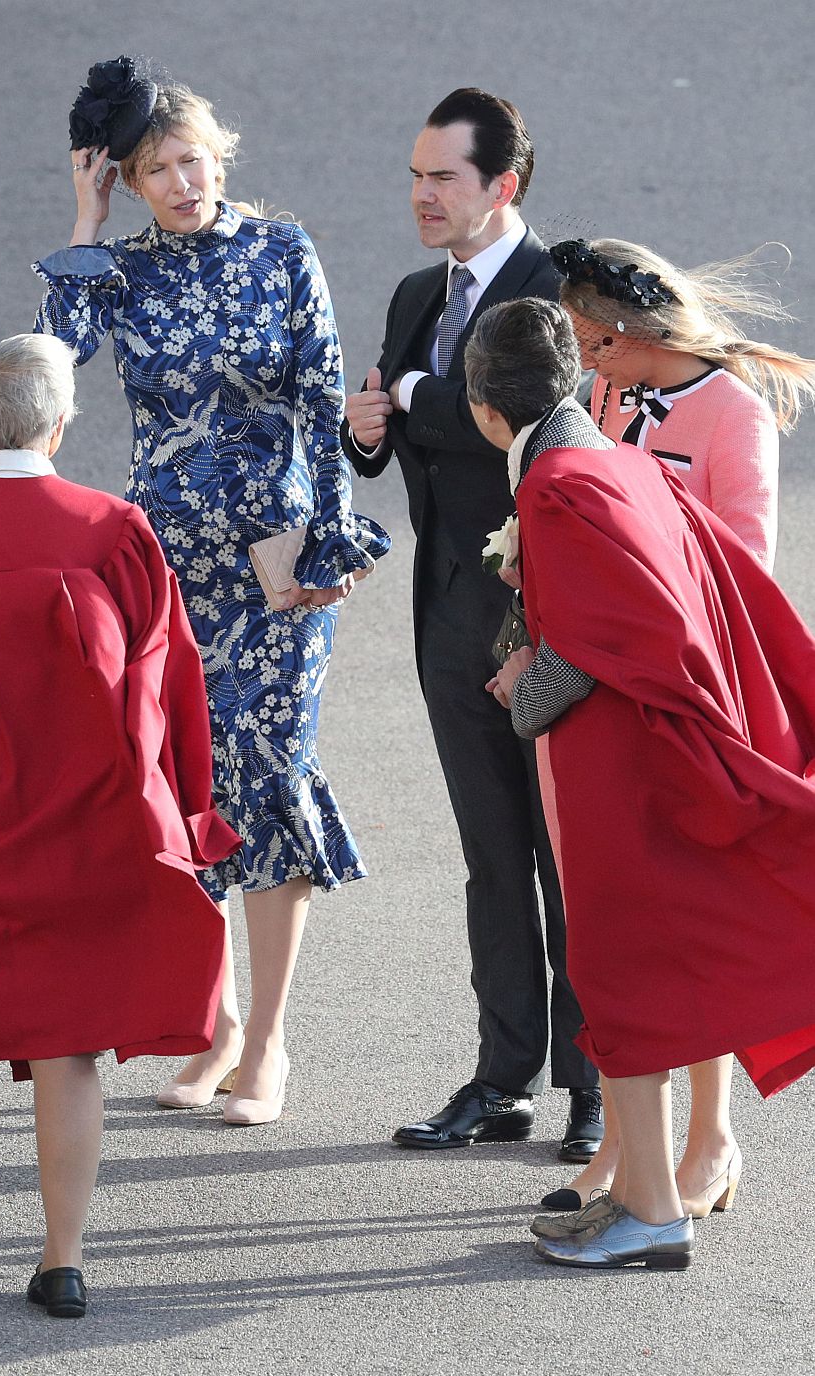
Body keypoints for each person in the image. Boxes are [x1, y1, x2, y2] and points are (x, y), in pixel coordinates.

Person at [35, 58, 389, 1125]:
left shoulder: (283, 250)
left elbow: (324, 391)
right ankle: (215, 1023)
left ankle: (270, 1043)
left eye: (192, 160)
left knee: (272, 772)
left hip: (275, 558)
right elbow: (54, 360)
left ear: (220, 155)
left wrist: (322, 541)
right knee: (187, 779)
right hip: (171, 561)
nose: (182, 183)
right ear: (133, 182)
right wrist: (85, 218)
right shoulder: (122, 269)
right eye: (155, 170)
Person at [0, 334, 240, 1316]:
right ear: (61, 422)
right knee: (68, 1047)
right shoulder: (110, 529)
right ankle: (61, 1260)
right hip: (84, 823)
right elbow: (170, 683)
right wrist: (190, 815)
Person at [464, 296, 815, 1268]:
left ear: (488, 407)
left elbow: (601, 645)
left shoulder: (563, 482)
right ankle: (640, 1190)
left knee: (623, 980)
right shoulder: (604, 459)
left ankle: (651, 1212)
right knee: (636, 979)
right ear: (575, 379)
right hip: (645, 763)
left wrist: (523, 689)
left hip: (619, 774)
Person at [342, 89, 601, 1158]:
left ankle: (597, 1085)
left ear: (504, 186)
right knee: (491, 854)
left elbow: (532, 418)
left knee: (567, 858)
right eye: (415, 176)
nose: (421, 196)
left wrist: (406, 392)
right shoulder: (415, 296)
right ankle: (505, 1078)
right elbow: (391, 427)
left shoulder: (557, 294)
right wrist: (368, 426)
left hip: (548, 623)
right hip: (450, 609)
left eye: (443, 177)